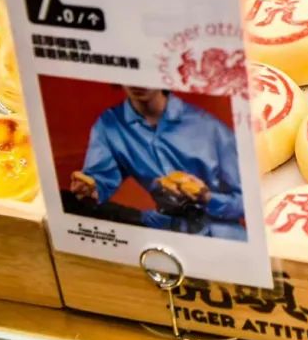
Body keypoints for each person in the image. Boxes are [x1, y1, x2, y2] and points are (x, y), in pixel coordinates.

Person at [69, 86, 246, 240]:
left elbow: (247, 203)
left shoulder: (209, 126)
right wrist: (90, 189)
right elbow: (99, 181)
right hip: (163, 231)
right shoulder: (109, 125)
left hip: (223, 236)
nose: (136, 82)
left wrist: (208, 198)